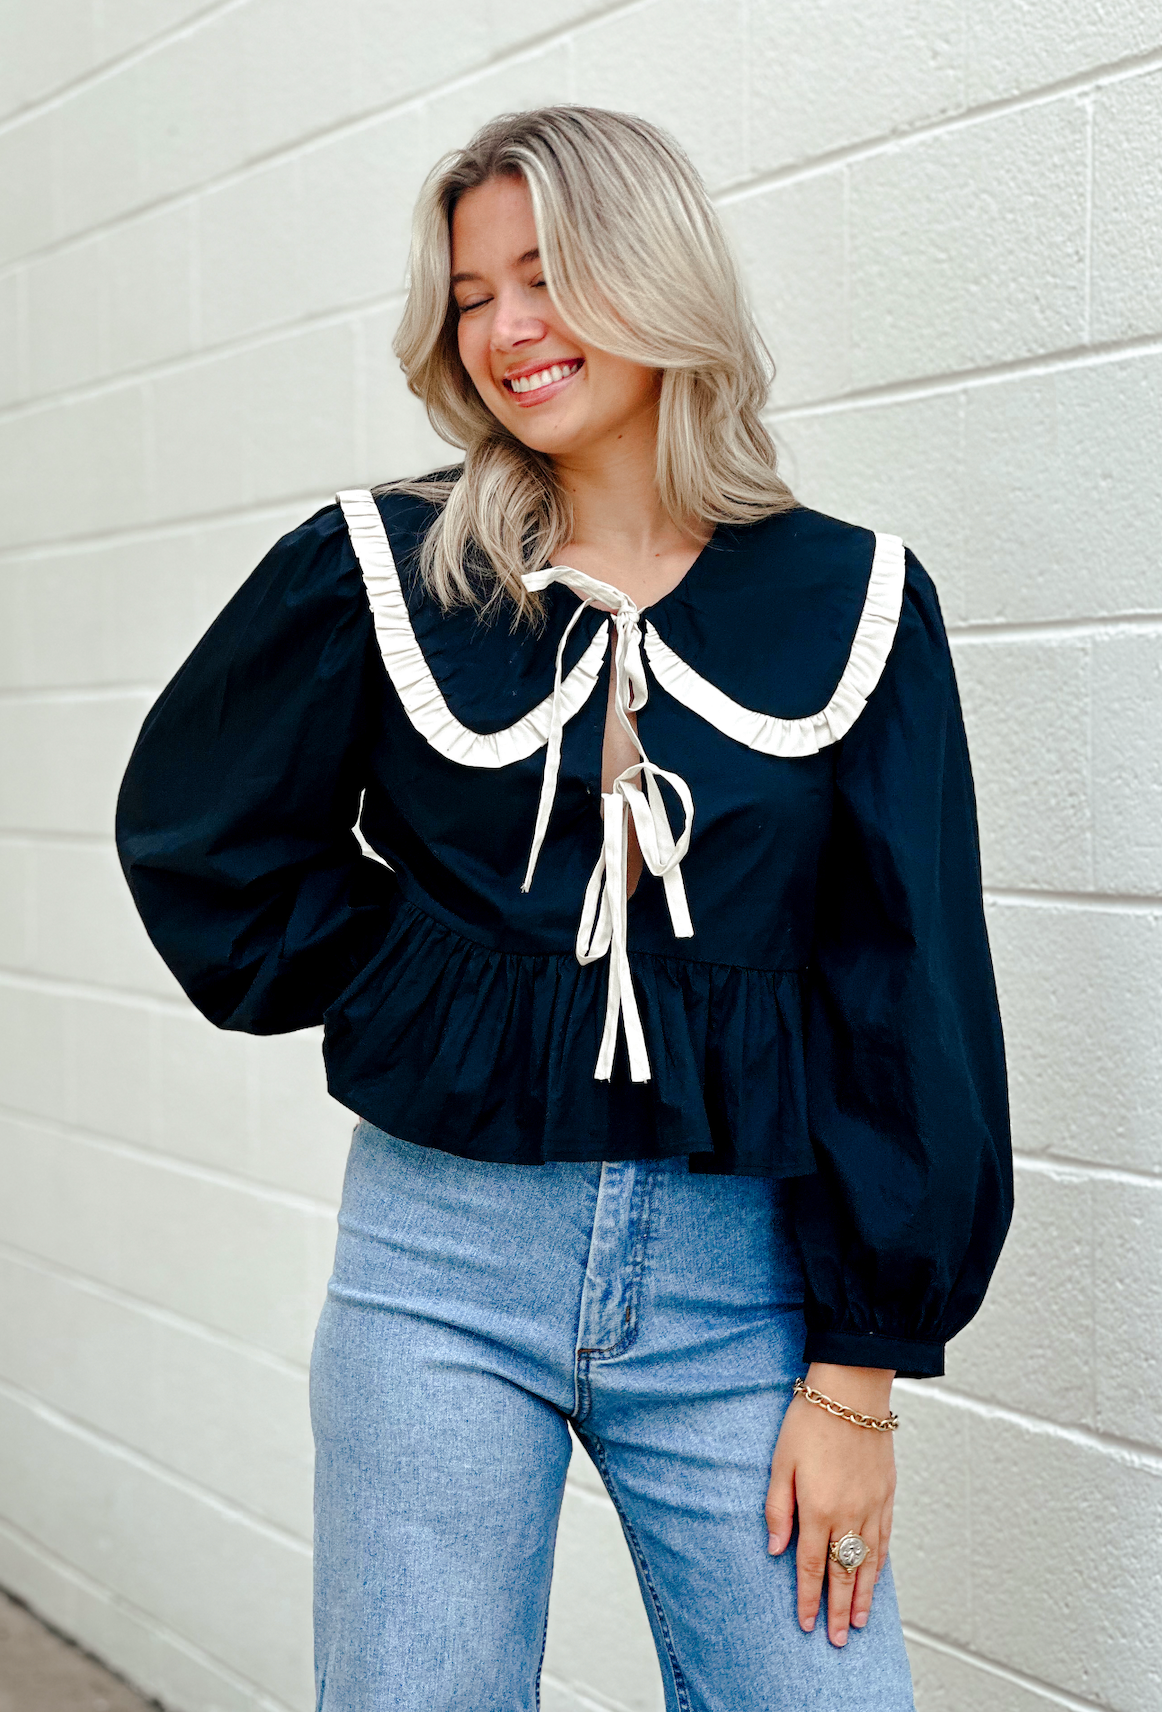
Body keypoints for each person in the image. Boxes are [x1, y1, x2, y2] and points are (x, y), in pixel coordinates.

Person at [116, 106, 1012, 1712]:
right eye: (472, 294)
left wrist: (859, 1378)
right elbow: (203, 836)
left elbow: (904, 987)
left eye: (548, 275)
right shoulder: (377, 569)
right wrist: (426, 983)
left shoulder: (854, 599)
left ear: (656, 276)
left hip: (745, 1287)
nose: (508, 329)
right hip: (437, 1265)